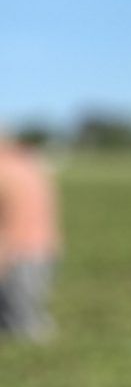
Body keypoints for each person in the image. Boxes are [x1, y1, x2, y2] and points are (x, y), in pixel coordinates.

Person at [0, 132, 60, 339]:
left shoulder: (5, 171)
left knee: (20, 323)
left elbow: (8, 223)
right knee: (25, 312)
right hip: (43, 248)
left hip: (19, 251)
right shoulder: (27, 164)